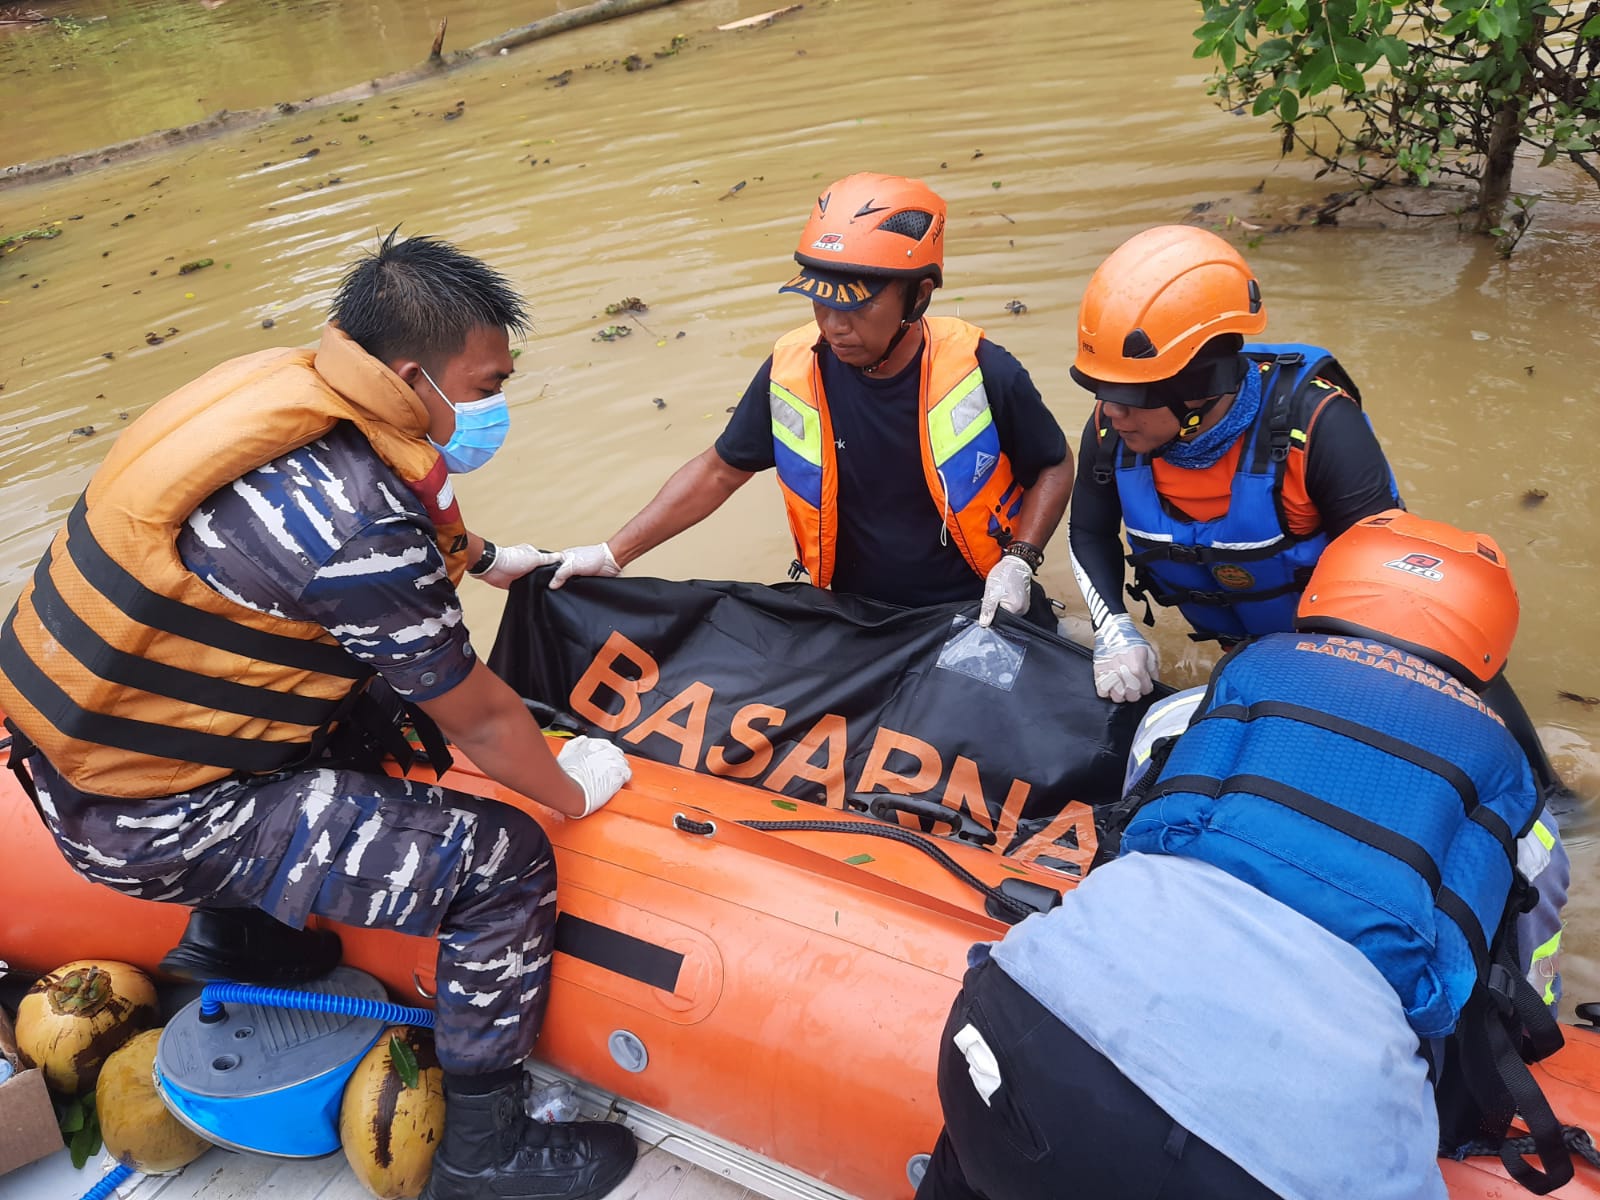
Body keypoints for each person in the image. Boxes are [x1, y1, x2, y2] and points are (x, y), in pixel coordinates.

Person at [0, 233, 638, 1200]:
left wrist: (494, 558)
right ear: (415, 376)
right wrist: (572, 786)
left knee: (372, 707)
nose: (497, 401)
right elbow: (484, 722)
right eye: (488, 381)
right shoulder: (359, 516)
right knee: (506, 858)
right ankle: (485, 1145)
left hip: (77, 764)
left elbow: (296, 562)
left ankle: (241, 939)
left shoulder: (278, 387)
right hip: (155, 821)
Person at [916, 510, 1573, 1200]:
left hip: (1005, 1038)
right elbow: (1527, 998)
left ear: (1324, 596)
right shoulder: (1527, 826)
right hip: (1278, 1165)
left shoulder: (1193, 710)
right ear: (1487, 649)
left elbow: (1129, 843)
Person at [545, 172, 1075, 628]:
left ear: (918, 295)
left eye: (857, 307)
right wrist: (611, 555)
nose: (834, 326)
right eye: (821, 302)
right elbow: (718, 471)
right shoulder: (792, 371)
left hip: (976, 606)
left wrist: (1020, 562)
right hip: (852, 617)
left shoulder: (982, 369)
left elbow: (1053, 465)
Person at [1064, 223, 1399, 702]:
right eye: (1103, 390)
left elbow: (1387, 579)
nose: (1112, 411)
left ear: (1200, 387)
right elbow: (1090, 532)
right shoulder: (1112, 431)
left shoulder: (1323, 430)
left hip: (1338, 654)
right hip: (1238, 646)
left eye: (1131, 396)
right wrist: (1114, 628)